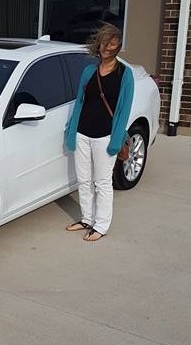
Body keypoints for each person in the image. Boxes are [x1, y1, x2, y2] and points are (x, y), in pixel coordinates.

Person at [64, 23, 134, 241]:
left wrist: (116, 140)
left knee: (102, 182)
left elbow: (124, 109)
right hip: (83, 133)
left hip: (105, 136)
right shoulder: (89, 71)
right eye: (104, 42)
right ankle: (87, 218)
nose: (107, 47)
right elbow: (80, 103)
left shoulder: (125, 74)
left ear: (118, 46)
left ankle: (101, 225)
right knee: (83, 180)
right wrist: (72, 131)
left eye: (112, 44)